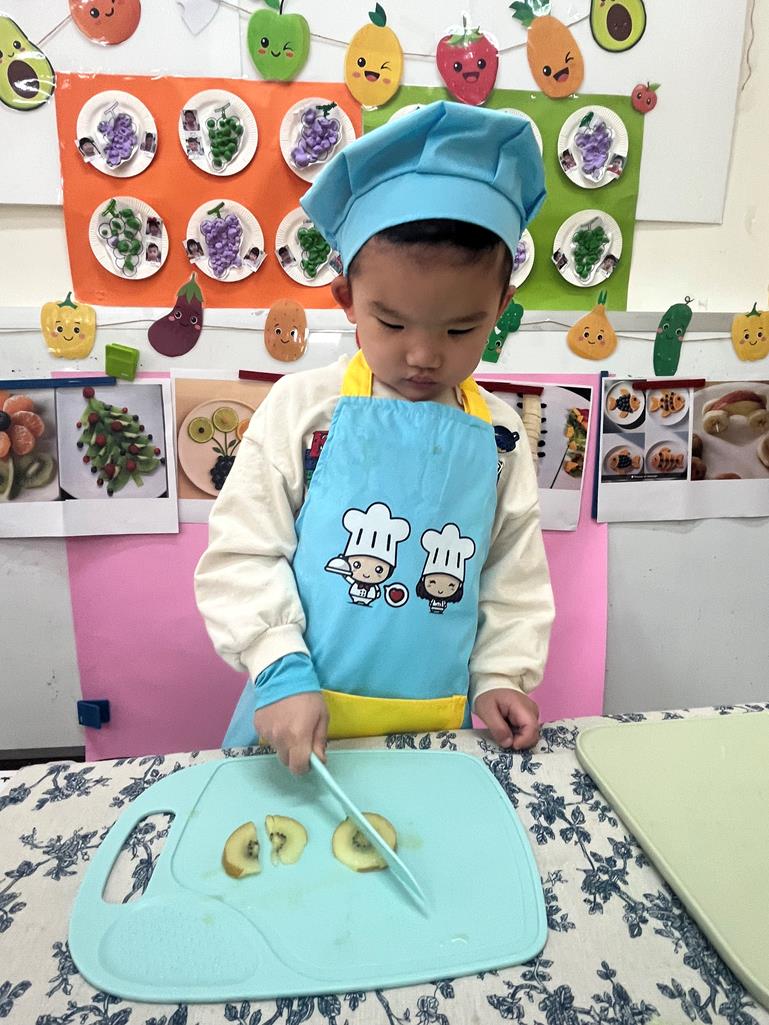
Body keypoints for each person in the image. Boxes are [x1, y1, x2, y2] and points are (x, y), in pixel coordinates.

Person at [195, 101, 554, 774]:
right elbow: (243, 549)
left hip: (434, 733)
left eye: (460, 330)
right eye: (391, 323)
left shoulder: (501, 437)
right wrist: (275, 662)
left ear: (501, 308)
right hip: (297, 719)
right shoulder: (305, 409)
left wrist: (501, 674)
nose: (423, 355)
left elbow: (512, 575)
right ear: (346, 299)